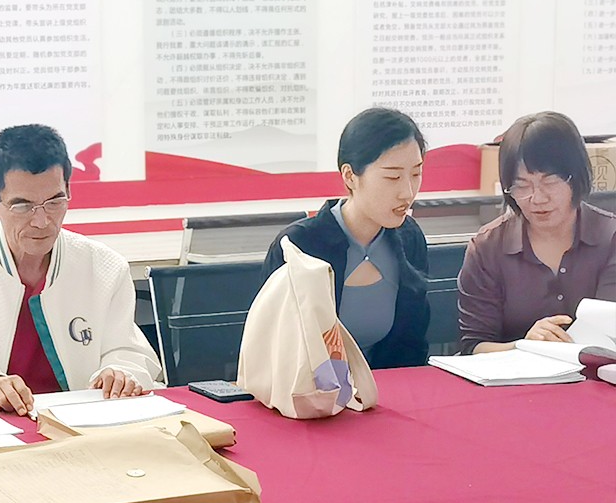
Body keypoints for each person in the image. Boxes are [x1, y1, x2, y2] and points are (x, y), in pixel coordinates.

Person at [0, 123, 163, 413]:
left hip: (78, 424)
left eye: (55, 202)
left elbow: (128, 351)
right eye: (22, 206)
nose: (41, 221)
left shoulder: (104, 266)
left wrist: (119, 372)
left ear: (68, 190)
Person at [264, 107, 432, 368]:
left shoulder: (410, 238)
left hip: (390, 387)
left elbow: (413, 346)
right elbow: (277, 346)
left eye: (416, 174)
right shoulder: (298, 246)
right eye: (393, 177)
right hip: (313, 390)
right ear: (350, 176)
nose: (407, 192)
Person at [459, 110, 616, 353]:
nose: (537, 198)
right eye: (522, 186)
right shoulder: (487, 248)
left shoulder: (611, 237)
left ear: (577, 177)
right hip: (514, 375)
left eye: (550, 182)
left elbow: (608, 331)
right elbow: (473, 345)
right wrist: (525, 346)